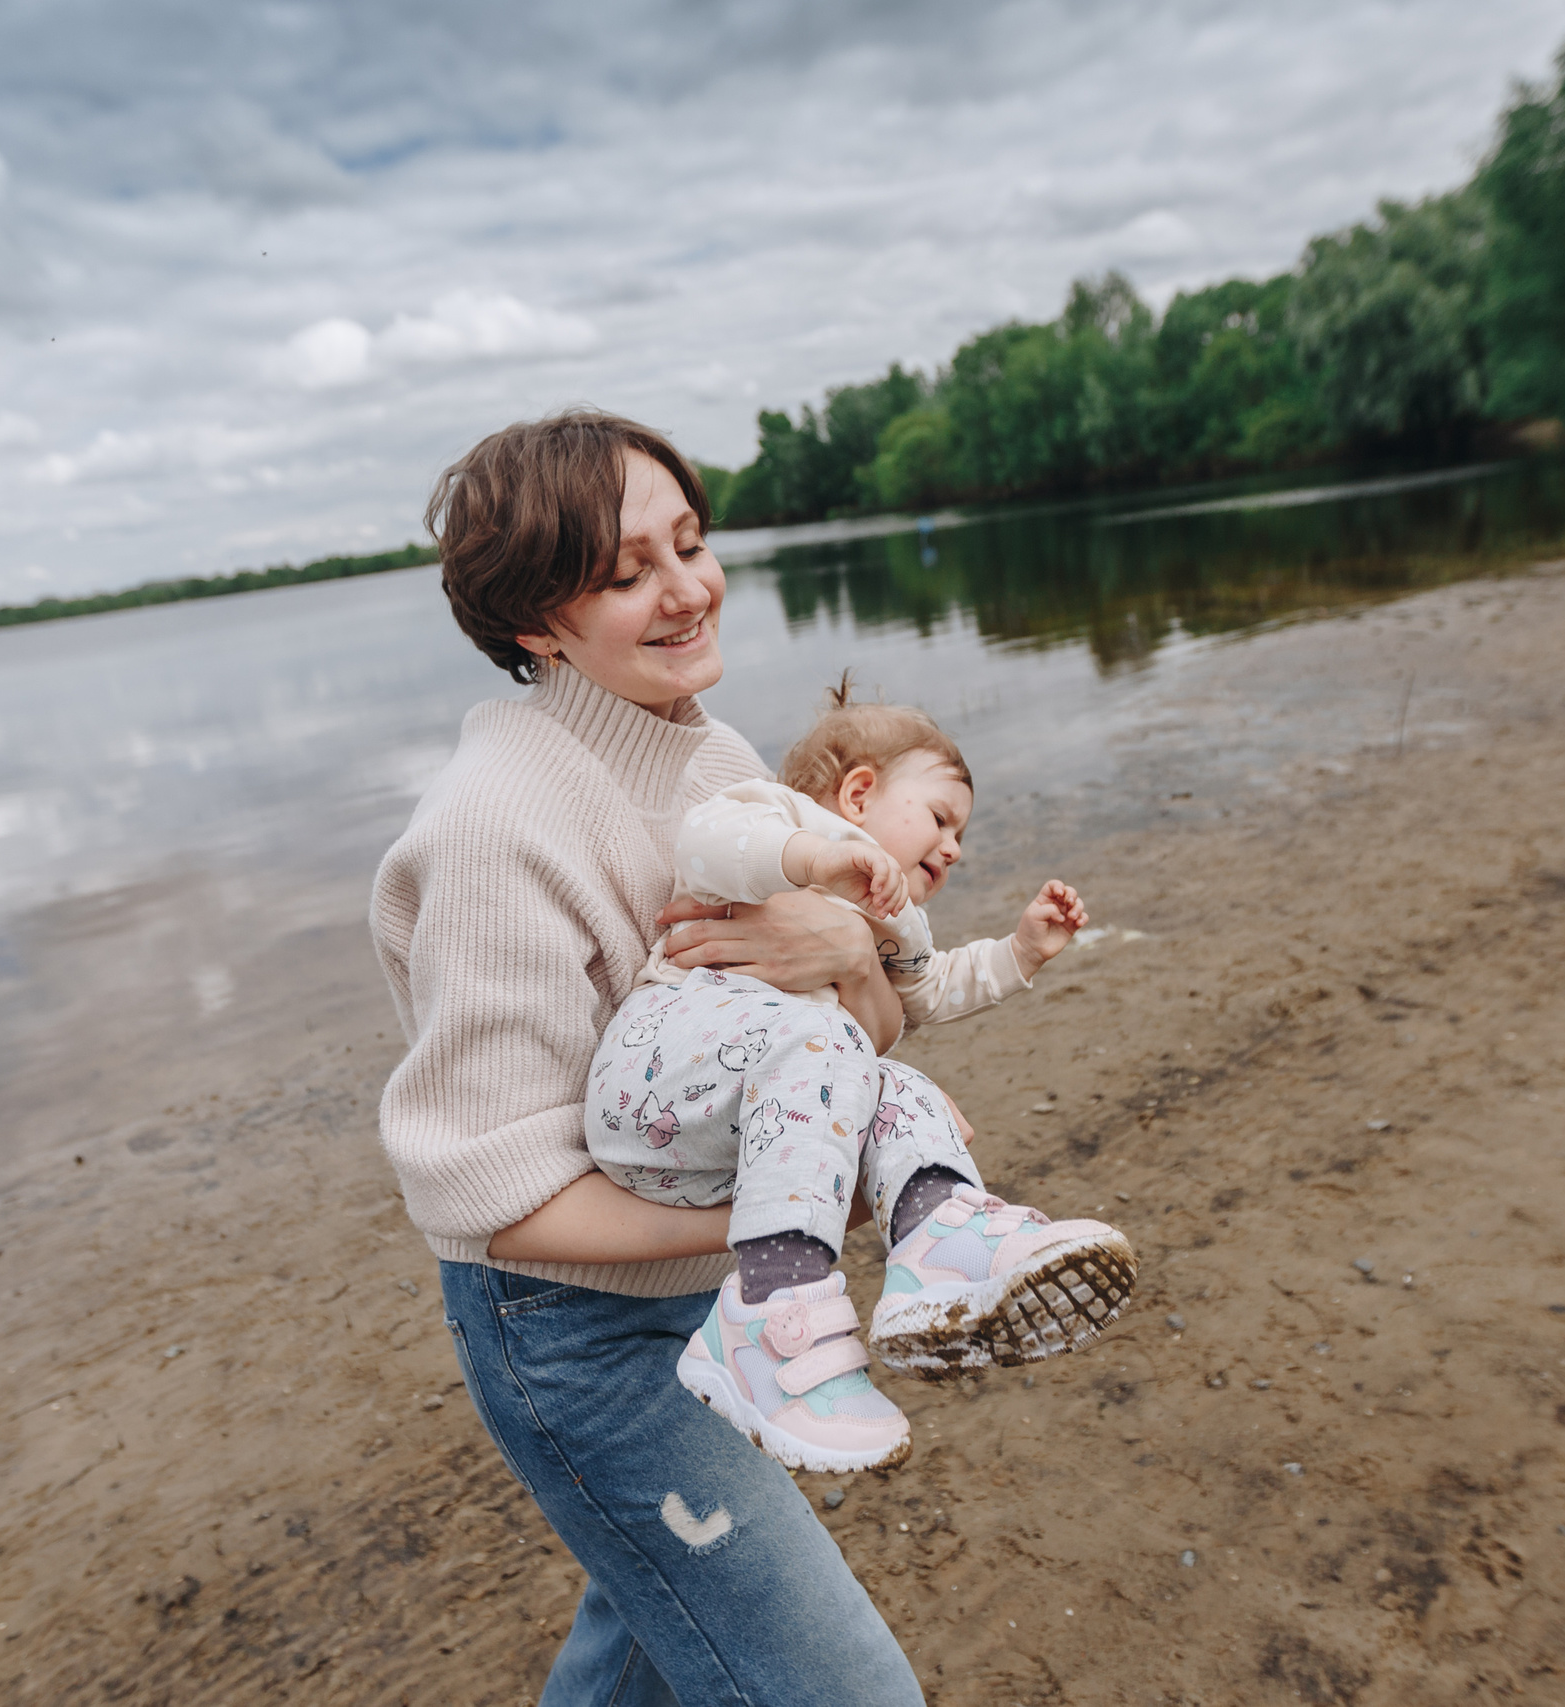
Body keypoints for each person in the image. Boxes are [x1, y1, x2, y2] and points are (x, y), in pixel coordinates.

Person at [373, 411, 925, 1704]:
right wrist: (781, 1208)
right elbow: (490, 1196)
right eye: (627, 573)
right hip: (572, 1331)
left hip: (708, 1281)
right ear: (532, 622)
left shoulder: (715, 759)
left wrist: (844, 947)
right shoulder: (493, 828)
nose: (687, 590)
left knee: (649, 1635)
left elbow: (862, 1033)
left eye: (691, 542)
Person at [586, 689, 1137, 1475]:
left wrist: (1020, 951)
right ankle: (769, 1312)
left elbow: (932, 991)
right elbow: (711, 838)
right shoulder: (778, 827)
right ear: (858, 794)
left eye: (962, 835)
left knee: (901, 1088)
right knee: (832, 1041)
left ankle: (940, 1245)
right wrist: (815, 859)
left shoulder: (897, 926)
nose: (955, 848)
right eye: (942, 817)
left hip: (736, 1147)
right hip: (653, 1085)